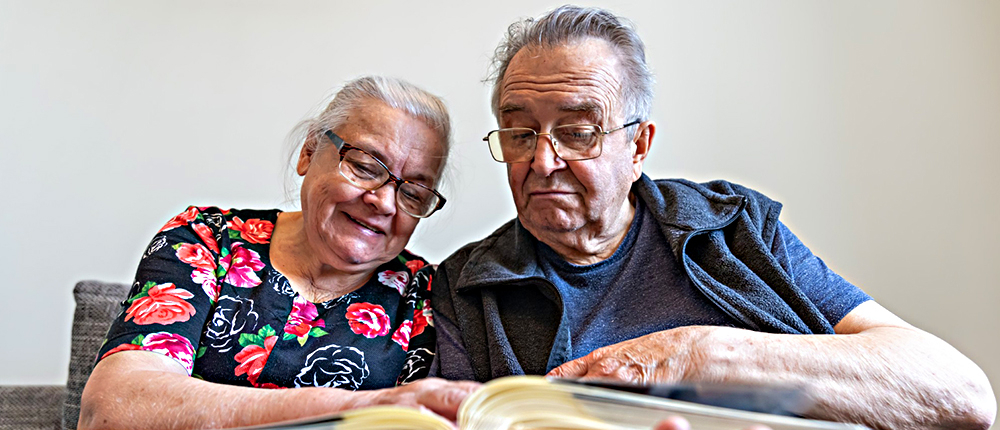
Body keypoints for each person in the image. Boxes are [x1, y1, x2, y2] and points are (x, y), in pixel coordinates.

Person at [430, 5, 996, 430]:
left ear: (638, 147)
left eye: (578, 132)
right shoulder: (465, 289)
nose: (542, 160)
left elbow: (960, 393)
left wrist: (694, 355)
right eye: (520, 133)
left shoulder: (735, 227)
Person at [79, 76, 479, 430]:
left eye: (412, 192)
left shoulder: (426, 297)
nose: (385, 203)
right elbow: (113, 409)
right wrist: (364, 407)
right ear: (308, 152)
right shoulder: (207, 241)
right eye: (365, 166)